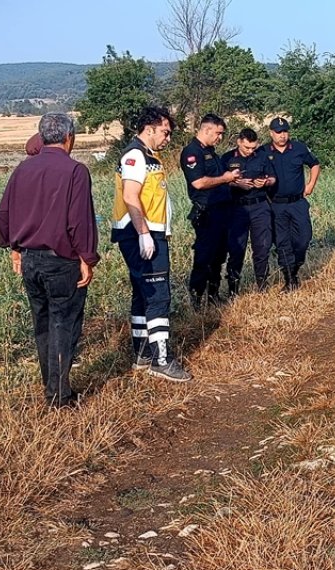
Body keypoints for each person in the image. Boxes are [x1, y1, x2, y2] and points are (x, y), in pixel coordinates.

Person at [0, 112, 98, 407]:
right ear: (70, 137)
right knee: (63, 325)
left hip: (30, 261)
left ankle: (52, 388)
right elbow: (79, 221)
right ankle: (59, 396)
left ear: (42, 138)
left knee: (42, 324)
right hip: (62, 261)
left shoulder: (22, 170)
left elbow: (3, 215)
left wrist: (13, 246)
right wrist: (87, 257)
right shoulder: (75, 171)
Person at [110, 106, 192, 382]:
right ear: (150, 128)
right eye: (165, 132)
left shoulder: (148, 155)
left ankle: (143, 354)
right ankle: (162, 359)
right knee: (158, 295)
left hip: (147, 232)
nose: (168, 139)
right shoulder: (135, 155)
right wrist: (144, 233)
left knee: (142, 293)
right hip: (141, 235)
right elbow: (131, 196)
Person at [180, 114, 241, 306]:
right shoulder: (192, 153)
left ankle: (213, 296)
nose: (220, 138)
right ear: (206, 130)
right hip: (207, 213)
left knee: (219, 256)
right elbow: (199, 183)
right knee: (204, 256)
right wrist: (226, 178)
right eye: (218, 133)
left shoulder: (211, 152)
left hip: (223, 211)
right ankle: (197, 299)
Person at [264, 117, 320, 291]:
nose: (282, 135)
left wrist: (310, 184)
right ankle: (290, 280)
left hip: (298, 203)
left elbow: (315, 164)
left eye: (285, 131)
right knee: (282, 242)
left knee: (304, 238)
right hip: (276, 205)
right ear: (271, 133)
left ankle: (295, 266)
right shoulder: (263, 151)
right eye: (278, 132)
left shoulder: (299, 148)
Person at [222, 128, 277, 293]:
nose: (250, 151)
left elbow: (273, 178)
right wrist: (236, 183)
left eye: (253, 148)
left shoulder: (262, 157)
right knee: (236, 249)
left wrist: (265, 182)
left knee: (262, 247)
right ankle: (233, 289)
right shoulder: (227, 158)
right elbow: (220, 182)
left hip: (260, 206)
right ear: (239, 142)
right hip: (237, 208)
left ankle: (262, 286)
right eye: (247, 147)